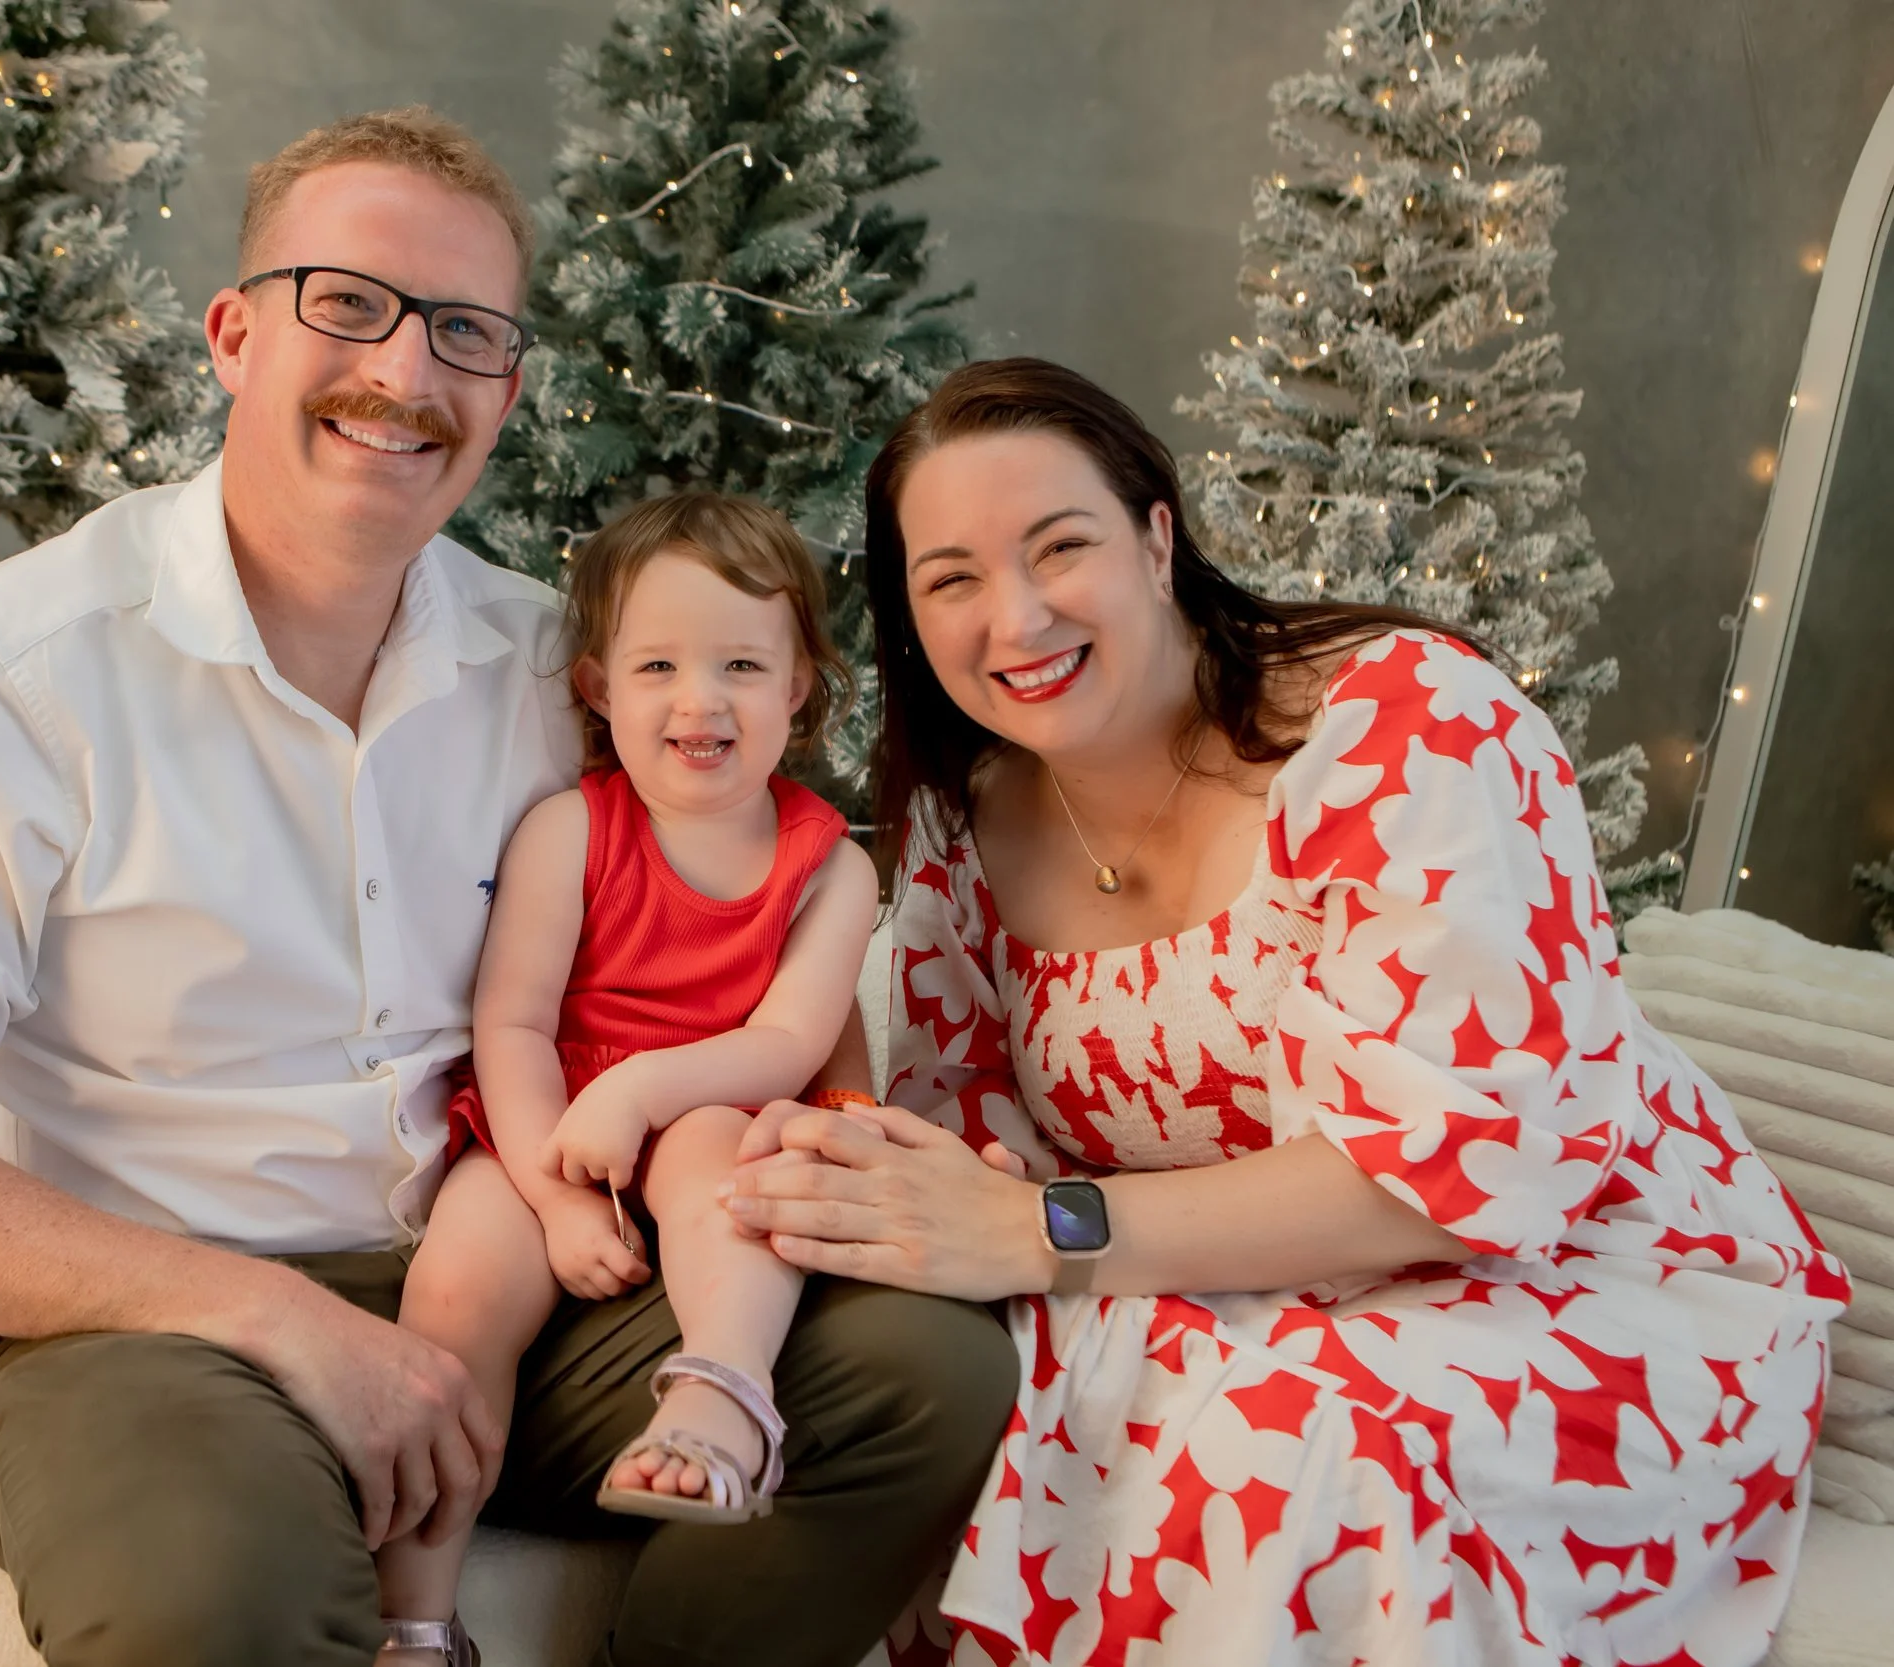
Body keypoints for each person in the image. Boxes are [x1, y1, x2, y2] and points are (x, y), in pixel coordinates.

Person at [0, 106, 1014, 1667]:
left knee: (922, 1369)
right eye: (345, 303)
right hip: (157, 1319)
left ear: (508, 388)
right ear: (232, 332)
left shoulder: (555, 671)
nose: (404, 374)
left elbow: (724, 912)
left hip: (532, 1271)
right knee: (214, 1599)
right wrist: (289, 1323)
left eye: (465, 333)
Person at [720, 358, 1852, 1666]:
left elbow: (1458, 1167)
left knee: (1309, 1443)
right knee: (1008, 1402)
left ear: (1156, 538)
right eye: (952, 578)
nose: (1015, 617)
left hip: (1568, 1276)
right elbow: (962, 1141)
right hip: (1218, 1281)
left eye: (1059, 546)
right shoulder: (964, 825)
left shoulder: (1405, 726)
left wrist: (1040, 1228)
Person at [373, 492, 882, 1655]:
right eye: (658, 664)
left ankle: (722, 1393)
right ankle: (413, 1621)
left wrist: (647, 1092)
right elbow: (508, 1024)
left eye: (743, 664)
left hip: (707, 1104)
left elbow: (792, 1041)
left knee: (725, 1167)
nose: (699, 701)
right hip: (546, 1115)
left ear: (799, 686)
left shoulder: (828, 866)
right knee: (454, 1291)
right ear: (601, 687)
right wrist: (552, 1196)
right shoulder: (568, 830)